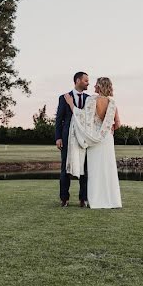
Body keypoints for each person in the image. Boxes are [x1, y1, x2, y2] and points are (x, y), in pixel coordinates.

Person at [64, 76, 122, 209]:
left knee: (95, 170)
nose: (94, 86)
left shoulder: (91, 100)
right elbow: (118, 123)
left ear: (100, 86)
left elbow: (82, 118)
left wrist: (71, 103)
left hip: (94, 140)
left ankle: (96, 201)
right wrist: (111, 127)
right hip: (107, 139)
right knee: (108, 169)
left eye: (96, 84)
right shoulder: (113, 103)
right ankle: (112, 201)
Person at [55, 72, 90, 207]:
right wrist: (58, 137)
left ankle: (83, 199)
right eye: (86, 80)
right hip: (66, 138)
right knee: (65, 168)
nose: (88, 83)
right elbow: (59, 119)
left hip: (84, 139)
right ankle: (64, 199)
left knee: (85, 169)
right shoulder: (64, 98)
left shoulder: (89, 99)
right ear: (78, 80)